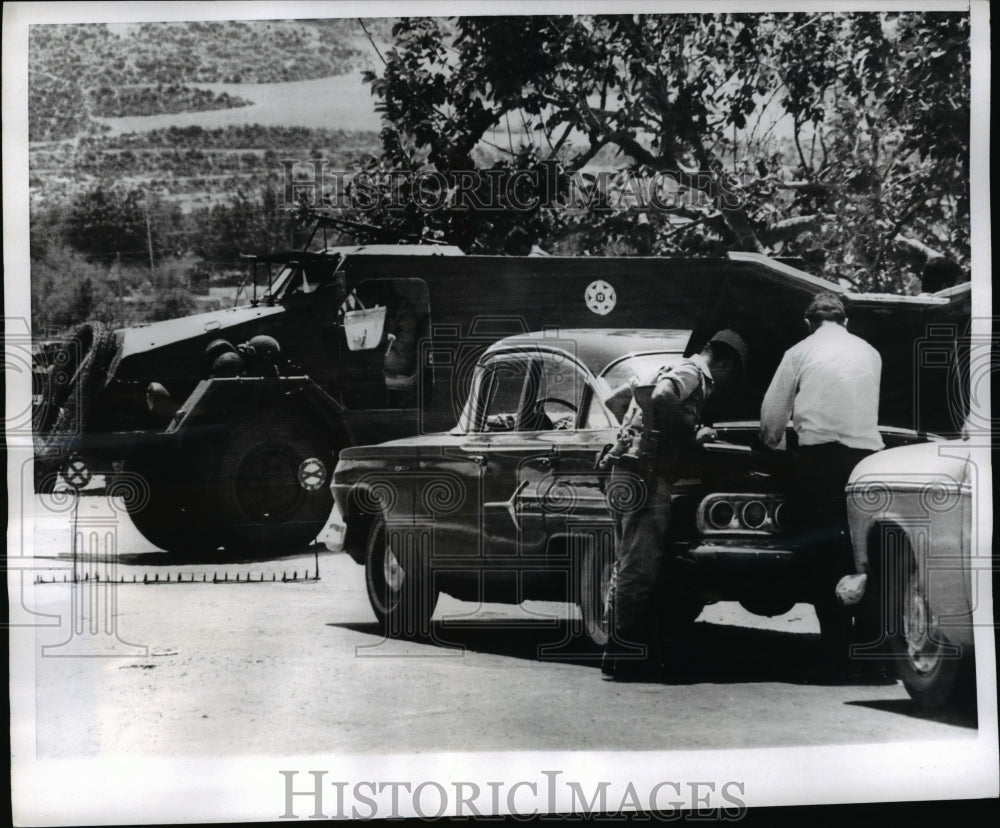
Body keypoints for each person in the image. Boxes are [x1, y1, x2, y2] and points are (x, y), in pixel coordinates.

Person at [600, 330, 748, 681]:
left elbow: (617, 402)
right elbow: (665, 397)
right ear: (725, 361)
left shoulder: (660, 367)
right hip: (646, 475)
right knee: (640, 566)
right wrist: (690, 430)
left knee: (626, 563)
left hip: (625, 470)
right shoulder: (693, 372)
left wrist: (637, 431)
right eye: (734, 374)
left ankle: (617, 648)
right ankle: (625, 654)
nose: (729, 384)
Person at [759, 292, 882, 672]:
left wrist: (776, 450)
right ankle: (871, 647)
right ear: (846, 322)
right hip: (869, 462)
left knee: (824, 553)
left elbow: (770, 421)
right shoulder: (871, 352)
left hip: (820, 464)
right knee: (867, 554)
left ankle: (835, 650)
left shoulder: (799, 351)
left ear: (808, 323)